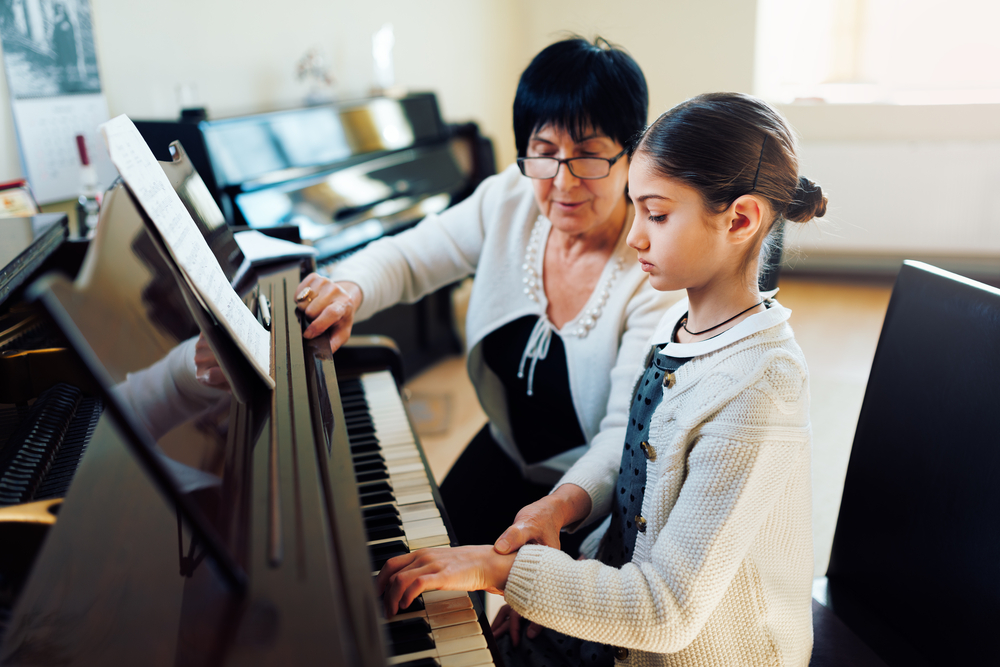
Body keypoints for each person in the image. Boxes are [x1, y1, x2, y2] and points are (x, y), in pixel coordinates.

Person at [376, 92, 827, 667]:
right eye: (636, 209)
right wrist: (561, 509)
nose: (635, 235)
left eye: (657, 215)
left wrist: (505, 573)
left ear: (739, 219)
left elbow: (667, 612)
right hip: (618, 605)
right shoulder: (678, 325)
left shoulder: (760, 385)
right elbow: (634, 455)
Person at [295, 37, 678, 554]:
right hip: (504, 451)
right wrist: (347, 289)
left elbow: (621, 439)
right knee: (421, 561)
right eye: (544, 154)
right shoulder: (509, 199)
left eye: (588, 156)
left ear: (631, 156)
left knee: (515, 628)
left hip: (590, 493)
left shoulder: (652, 267)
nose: (562, 181)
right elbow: (408, 257)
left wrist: (554, 518)